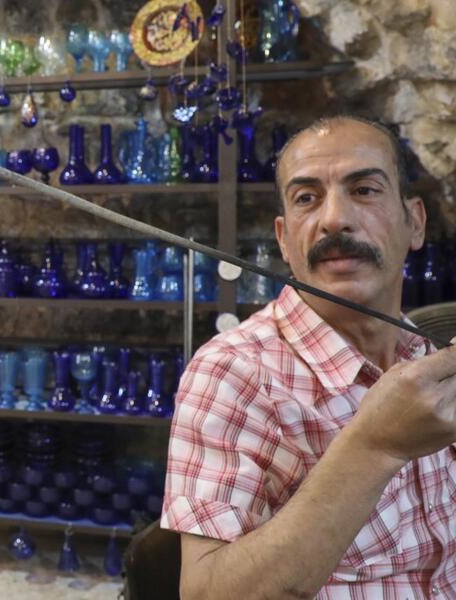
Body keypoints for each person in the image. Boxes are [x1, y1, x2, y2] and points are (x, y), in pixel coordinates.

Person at [161, 115, 456, 599]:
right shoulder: (234, 372)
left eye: (364, 190)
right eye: (306, 198)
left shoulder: (427, 352)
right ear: (283, 238)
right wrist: (374, 447)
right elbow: (206, 593)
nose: (334, 219)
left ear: (415, 222)